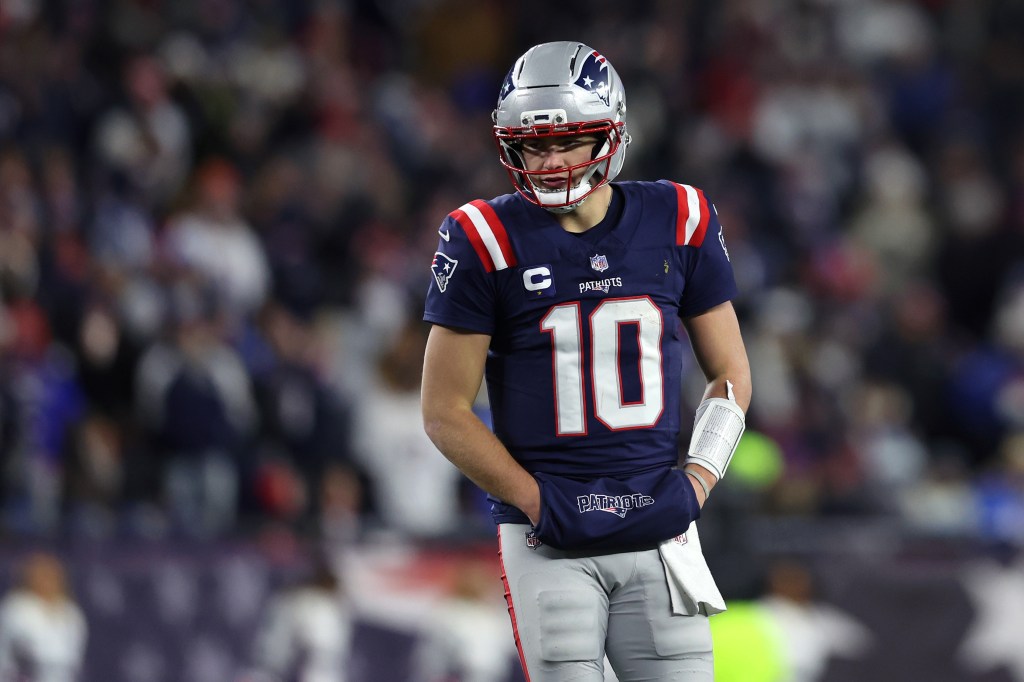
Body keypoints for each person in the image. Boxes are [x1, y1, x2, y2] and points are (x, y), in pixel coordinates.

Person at [421, 41, 752, 681]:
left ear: (613, 133)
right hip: (548, 536)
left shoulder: (680, 216)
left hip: (661, 530)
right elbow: (443, 411)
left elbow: (731, 376)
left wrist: (697, 483)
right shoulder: (482, 236)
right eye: (533, 146)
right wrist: (538, 502)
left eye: (569, 141)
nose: (549, 161)